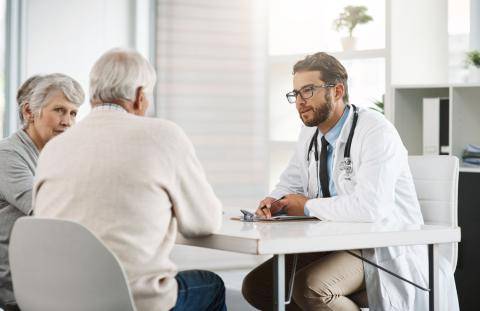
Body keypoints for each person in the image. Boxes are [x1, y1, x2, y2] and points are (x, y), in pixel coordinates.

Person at [241, 52, 459, 310]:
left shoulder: (375, 131)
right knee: (258, 286)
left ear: (337, 90)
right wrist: (275, 202)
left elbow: (371, 208)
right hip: (332, 242)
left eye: (308, 91)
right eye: (296, 93)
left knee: (311, 287)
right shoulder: (308, 134)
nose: (300, 101)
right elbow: (291, 183)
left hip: (382, 246)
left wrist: (308, 206)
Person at [32, 48, 226, 311]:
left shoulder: (54, 148)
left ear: (93, 94)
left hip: (57, 300)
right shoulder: (164, 135)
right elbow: (203, 223)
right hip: (131, 301)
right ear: (139, 96)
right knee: (211, 284)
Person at [0, 74, 84, 309]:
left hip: (48, 276)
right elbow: (47, 209)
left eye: (73, 113)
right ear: (29, 112)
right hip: (21, 288)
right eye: (59, 110)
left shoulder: (53, 155)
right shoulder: (7, 155)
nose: (67, 121)